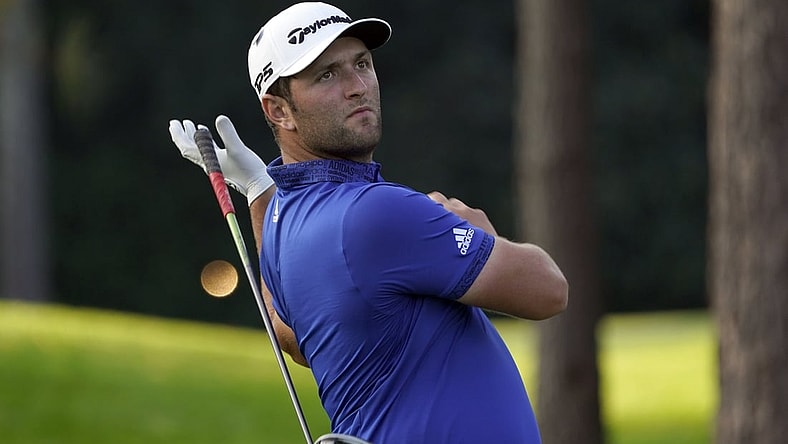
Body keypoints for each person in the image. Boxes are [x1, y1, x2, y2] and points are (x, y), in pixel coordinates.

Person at [169, 2, 568, 443]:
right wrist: (479, 231)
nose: (357, 86)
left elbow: (296, 338)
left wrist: (261, 193)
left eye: (362, 63)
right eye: (327, 75)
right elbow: (548, 290)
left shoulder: (284, 220)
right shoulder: (377, 212)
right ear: (280, 111)